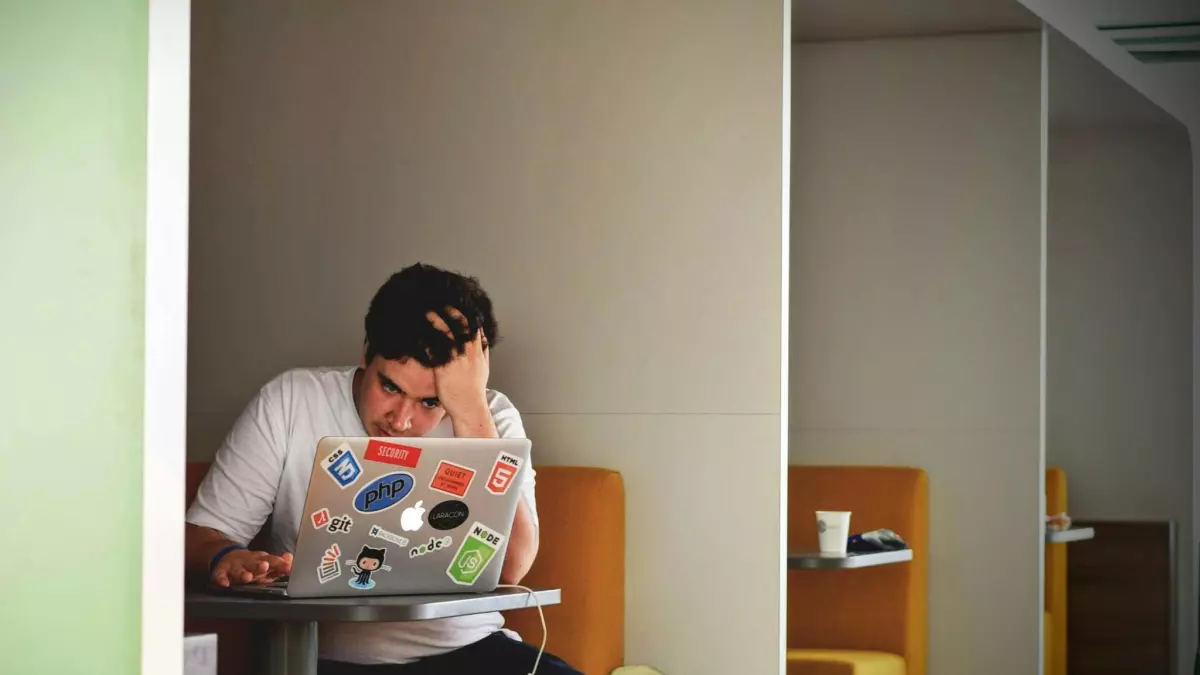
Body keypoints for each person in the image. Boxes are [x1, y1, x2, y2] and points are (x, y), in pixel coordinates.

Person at [184, 263, 582, 675]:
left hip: (468, 651)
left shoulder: (491, 417)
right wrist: (224, 557)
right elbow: (200, 535)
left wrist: (471, 412)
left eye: (430, 402)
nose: (401, 421)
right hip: (319, 658)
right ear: (366, 351)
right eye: (390, 387)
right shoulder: (291, 401)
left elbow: (512, 567)